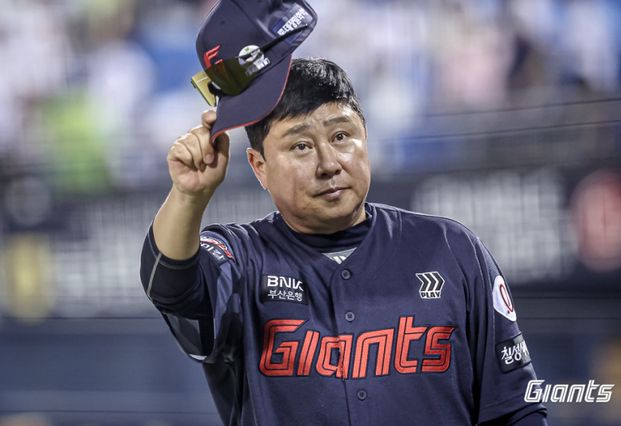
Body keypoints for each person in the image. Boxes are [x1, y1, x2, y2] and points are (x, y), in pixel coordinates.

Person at [140, 56, 548, 425]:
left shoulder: (451, 248)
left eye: (341, 136)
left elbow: (517, 408)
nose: (328, 163)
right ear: (259, 166)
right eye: (301, 146)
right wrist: (189, 196)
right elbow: (169, 285)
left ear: (364, 137)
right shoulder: (241, 257)